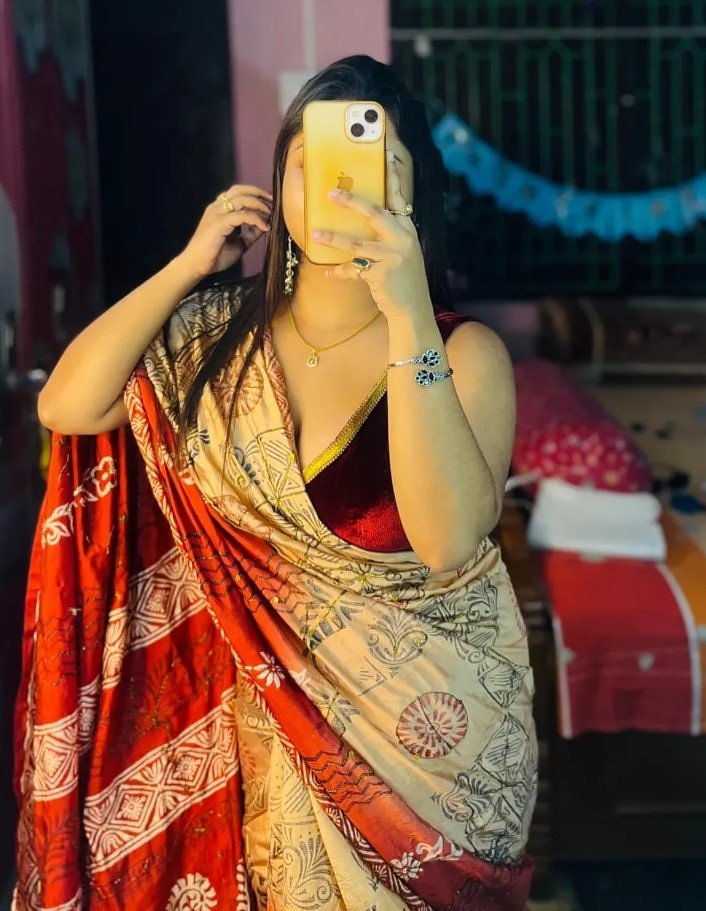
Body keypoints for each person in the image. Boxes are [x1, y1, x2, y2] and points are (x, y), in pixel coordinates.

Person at [14, 55, 537, 910]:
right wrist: (189, 267)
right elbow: (67, 405)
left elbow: (446, 541)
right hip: (257, 754)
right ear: (280, 184)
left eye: (379, 163)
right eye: (310, 162)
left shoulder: (461, 353)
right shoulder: (213, 335)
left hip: (429, 769)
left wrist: (407, 310)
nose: (340, 185)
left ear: (413, 195)